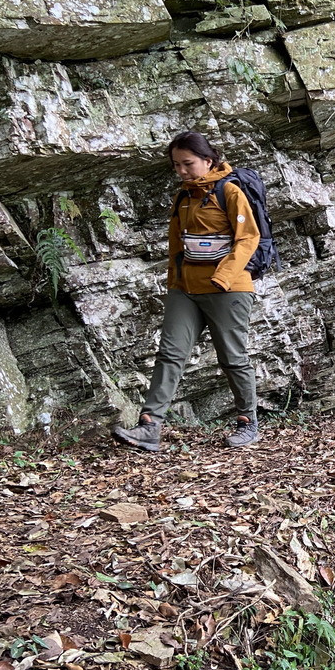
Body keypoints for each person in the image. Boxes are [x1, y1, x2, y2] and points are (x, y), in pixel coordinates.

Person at [113, 131, 261, 452]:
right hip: (185, 289)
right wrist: (174, 282)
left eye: (188, 163)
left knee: (232, 357)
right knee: (170, 353)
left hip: (228, 289)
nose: (181, 170)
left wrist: (223, 277)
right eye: (176, 165)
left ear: (208, 161)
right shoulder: (183, 197)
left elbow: (249, 238)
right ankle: (150, 426)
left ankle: (248, 422)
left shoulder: (230, 192)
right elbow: (176, 245)